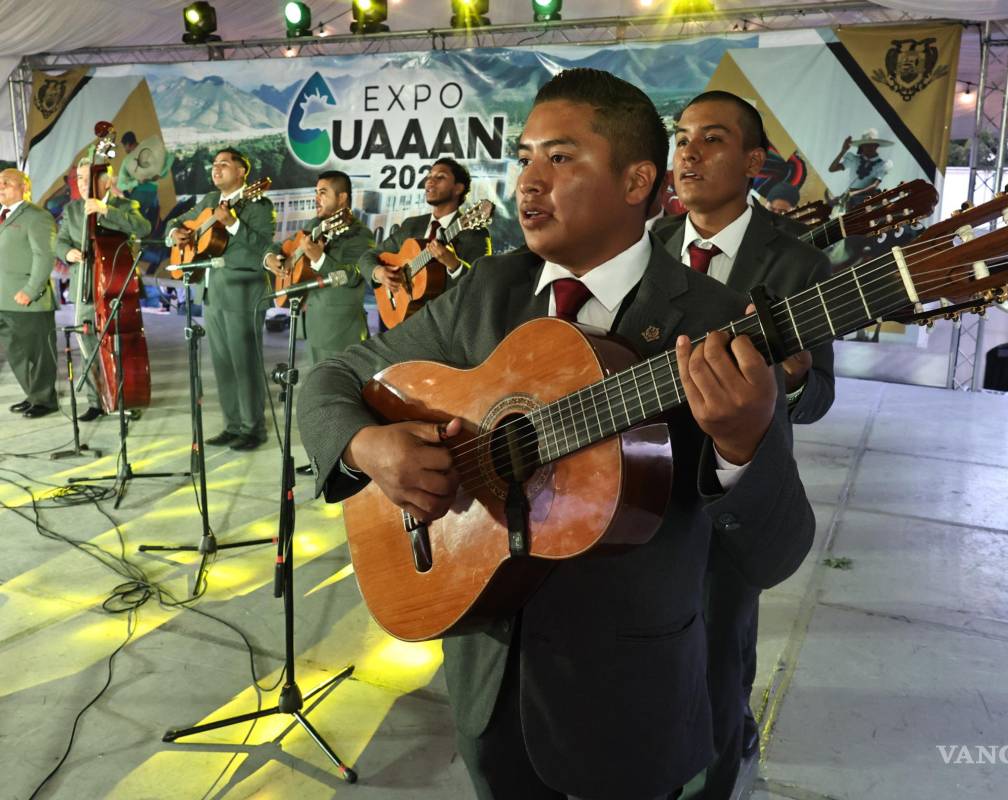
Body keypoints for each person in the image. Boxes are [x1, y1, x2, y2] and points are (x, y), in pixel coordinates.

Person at [298, 68, 815, 800]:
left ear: (638, 180)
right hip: (489, 691)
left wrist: (743, 444)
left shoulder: (715, 322)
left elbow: (776, 549)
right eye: (523, 158)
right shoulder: (490, 289)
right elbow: (334, 379)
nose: (528, 182)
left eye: (560, 158)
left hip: (631, 703)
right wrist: (366, 446)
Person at [652, 89, 834, 799]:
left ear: (756, 161)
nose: (690, 153)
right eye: (683, 138)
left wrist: (788, 381)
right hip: (637, 491)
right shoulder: (646, 248)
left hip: (729, 498)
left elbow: (819, 398)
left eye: (713, 139)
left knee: (718, 667)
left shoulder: (795, 266)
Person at [165, 148, 275, 451]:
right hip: (212, 293)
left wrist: (233, 225)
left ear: (242, 172)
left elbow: (264, 249)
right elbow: (176, 223)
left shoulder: (259, 204)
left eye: (224, 164)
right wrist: (176, 233)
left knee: (245, 363)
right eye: (214, 164)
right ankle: (233, 425)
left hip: (243, 293)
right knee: (224, 364)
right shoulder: (210, 202)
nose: (217, 169)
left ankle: (254, 429)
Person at [55, 159, 152, 421]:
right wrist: (67, 251)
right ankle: (95, 402)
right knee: (87, 346)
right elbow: (61, 240)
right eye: (80, 179)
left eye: (89, 178)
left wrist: (106, 210)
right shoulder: (73, 209)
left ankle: (125, 398)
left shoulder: (124, 205)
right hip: (84, 288)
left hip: (115, 288)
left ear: (106, 181)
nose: (83, 183)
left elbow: (143, 227)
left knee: (119, 345)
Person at [361, 157, 491, 331]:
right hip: (405, 325)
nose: (430, 180)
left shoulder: (474, 234)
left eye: (440, 177)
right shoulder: (411, 226)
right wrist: (379, 273)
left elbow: (481, 288)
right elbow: (366, 258)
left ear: (458, 188)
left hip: (447, 328)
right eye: (429, 176)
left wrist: (453, 264)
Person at [264, 170, 373, 366]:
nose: (317, 198)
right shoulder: (315, 224)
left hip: (341, 332)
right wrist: (270, 257)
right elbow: (284, 245)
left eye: (323, 192)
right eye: (316, 192)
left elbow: (353, 276)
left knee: (338, 392)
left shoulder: (361, 234)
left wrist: (319, 258)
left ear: (342, 198)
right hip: (312, 325)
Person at [0, 168, 59, 418]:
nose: (1, 186)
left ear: (24, 188)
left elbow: (44, 256)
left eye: (7, 183)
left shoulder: (37, 217)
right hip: (3, 298)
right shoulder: (1, 216)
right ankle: (33, 395)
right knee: (17, 354)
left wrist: (30, 290)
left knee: (38, 354)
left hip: (27, 300)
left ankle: (45, 400)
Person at [828, 128, 892, 208]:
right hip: (849, 198)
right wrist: (843, 151)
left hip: (867, 199)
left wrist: (854, 193)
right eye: (865, 145)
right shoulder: (854, 159)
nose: (867, 148)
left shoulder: (882, 164)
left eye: (870, 145)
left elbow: (874, 186)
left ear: (876, 146)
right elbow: (832, 169)